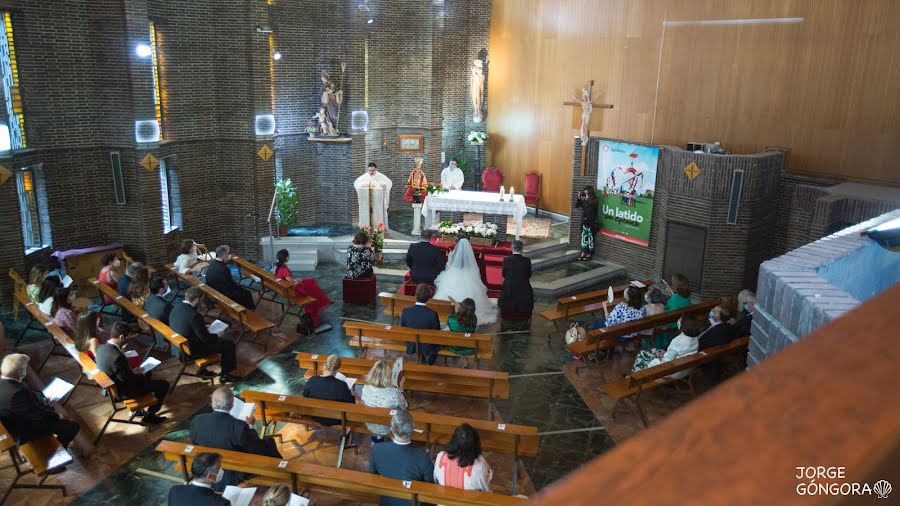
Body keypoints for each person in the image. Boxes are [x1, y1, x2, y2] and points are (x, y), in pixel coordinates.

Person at [190, 387, 281, 489]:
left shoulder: (197, 420)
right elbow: (256, 446)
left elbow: (195, 443)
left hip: (207, 466)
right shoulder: (239, 427)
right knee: (269, 443)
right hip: (234, 472)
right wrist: (250, 426)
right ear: (232, 404)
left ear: (212, 401)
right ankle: (281, 473)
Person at [0, 353, 80, 449]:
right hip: (22, 431)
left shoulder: (6, 384)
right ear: (20, 372)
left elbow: (26, 407)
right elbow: (36, 418)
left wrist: (42, 401)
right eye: (25, 369)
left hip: (11, 423)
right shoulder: (18, 392)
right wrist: (57, 415)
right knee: (72, 427)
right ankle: (57, 449)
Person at [96, 327, 169, 425]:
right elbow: (126, 380)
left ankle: (141, 410)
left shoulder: (102, 348)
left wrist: (133, 371)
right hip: (124, 391)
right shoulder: (117, 356)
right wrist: (140, 374)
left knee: (148, 374)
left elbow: (119, 372)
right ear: (121, 337)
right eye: (127, 338)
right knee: (163, 385)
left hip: (114, 386)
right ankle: (149, 416)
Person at [169, 287, 241, 383]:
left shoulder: (176, 307)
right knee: (228, 345)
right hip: (191, 351)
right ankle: (225, 375)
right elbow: (206, 339)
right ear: (197, 300)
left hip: (178, 347)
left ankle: (203, 370)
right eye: (201, 300)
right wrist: (217, 335)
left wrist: (202, 327)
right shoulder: (194, 315)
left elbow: (185, 325)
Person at [369, 410, 434, 506]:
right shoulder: (423, 456)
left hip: (387, 501)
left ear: (392, 429)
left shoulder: (377, 449)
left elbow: (372, 474)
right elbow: (430, 485)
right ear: (412, 429)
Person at [433, 238, 498, 324]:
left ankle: (448, 311)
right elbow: (475, 273)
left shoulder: (453, 257)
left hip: (454, 275)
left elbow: (449, 266)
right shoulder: (471, 265)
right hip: (468, 277)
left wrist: (450, 257)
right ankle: (466, 312)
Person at [631, 317, 705, 378]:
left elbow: (667, 361)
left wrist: (661, 356)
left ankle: (635, 377)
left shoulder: (677, 341)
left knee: (642, 353)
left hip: (671, 370)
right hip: (684, 369)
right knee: (654, 350)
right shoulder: (695, 339)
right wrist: (665, 354)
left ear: (683, 327)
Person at [273, 249, 332, 326]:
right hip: (293, 291)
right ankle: (323, 302)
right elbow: (292, 284)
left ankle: (324, 301)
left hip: (285, 289)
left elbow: (285, 280)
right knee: (312, 285)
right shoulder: (285, 269)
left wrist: (296, 280)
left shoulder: (277, 267)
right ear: (287, 258)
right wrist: (298, 281)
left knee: (311, 282)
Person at [433, 423, 493, 492]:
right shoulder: (480, 464)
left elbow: (436, 480)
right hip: (470, 502)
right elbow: (485, 488)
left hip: (444, 501)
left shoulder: (440, 457)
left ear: (453, 441)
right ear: (475, 443)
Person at [301, 354, 355, 426]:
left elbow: (305, 397)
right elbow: (351, 404)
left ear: (324, 366)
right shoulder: (342, 385)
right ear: (338, 370)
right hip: (337, 418)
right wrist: (352, 393)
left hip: (316, 415)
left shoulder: (312, 380)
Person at [360, 360, 408, 442]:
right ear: (388, 376)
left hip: (371, 424)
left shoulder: (365, 388)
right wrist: (401, 389)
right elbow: (404, 407)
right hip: (387, 426)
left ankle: (378, 438)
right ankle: (395, 438)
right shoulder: (393, 392)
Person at [400, 284, 442, 365]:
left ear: (415, 295)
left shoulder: (406, 311)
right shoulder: (433, 314)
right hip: (427, 346)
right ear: (428, 298)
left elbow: (403, 328)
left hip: (411, 344)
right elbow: (437, 332)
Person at [698, 300, 738, 384]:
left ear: (719, 317)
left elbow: (700, 342)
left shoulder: (719, 331)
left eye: (715, 311)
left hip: (700, 354)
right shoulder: (722, 324)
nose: (712, 310)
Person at [205, 245, 256, 310]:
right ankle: (249, 312)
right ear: (224, 255)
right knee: (247, 293)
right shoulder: (224, 268)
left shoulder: (212, 264)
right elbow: (230, 285)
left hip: (213, 290)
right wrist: (240, 288)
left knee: (241, 290)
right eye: (229, 253)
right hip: (222, 294)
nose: (230, 255)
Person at [498, 240, 534, 315]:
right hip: (523, 288)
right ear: (522, 249)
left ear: (512, 248)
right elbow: (529, 275)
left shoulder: (506, 260)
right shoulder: (527, 261)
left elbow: (504, 274)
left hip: (509, 288)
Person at [354, 162, 393, 228]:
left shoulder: (381, 176)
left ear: (376, 169)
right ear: (368, 169)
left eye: (373, 170)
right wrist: (362, 185)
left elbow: (389, 183)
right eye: (370, 170)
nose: (371, 172)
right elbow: (356, 184)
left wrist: (385, 185)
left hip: (378, 202)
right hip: (366, 202)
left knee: (378, 215)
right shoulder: (364, 176)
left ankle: (378, 229)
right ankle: (366, 228)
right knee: (367, 215)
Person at [145, 277, 175, 353]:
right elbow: (173, 318)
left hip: (156, 327)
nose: (167, 286)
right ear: (161, 289)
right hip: (165, 329)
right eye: (166, 285)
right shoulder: (164, 306)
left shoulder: (150, 299)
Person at [446, 297, 477, 367]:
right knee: (466, 337)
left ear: (461, 308)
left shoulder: (451, 319)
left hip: (455, 346)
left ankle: (455, 362)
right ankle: (465, 361)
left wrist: (457, 313)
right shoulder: (474, 319)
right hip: (468, 347)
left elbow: (450, 325)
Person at [574, 185, 599, 260]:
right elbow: (576, 206)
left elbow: (591, 209)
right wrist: (579, 199)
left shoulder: (594, 200)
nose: (586, 195)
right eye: (585, 194)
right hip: (584, 221)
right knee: (584, 238)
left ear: (590, 193)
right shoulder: (584, 200)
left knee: (591, 238)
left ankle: (589, 254)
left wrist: (585, 200)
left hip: (591, 223)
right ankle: (583, 252)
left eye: (587, 194)